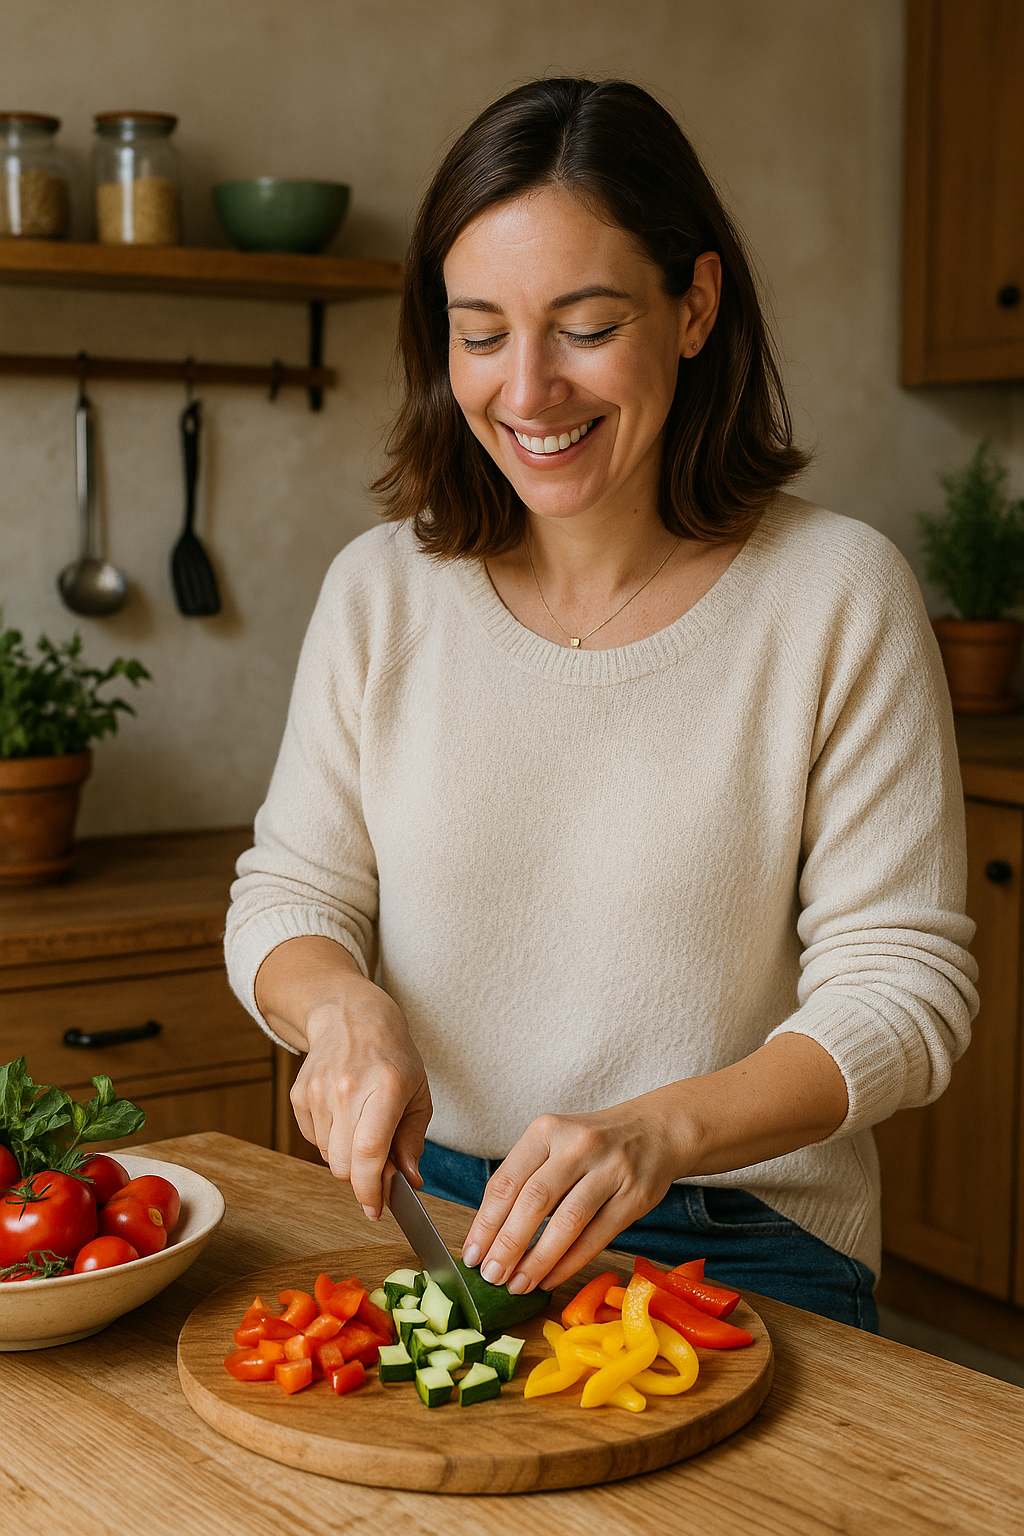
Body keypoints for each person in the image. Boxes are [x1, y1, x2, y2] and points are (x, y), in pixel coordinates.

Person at [225, 77, 978, 1331]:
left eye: (583, 325)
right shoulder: (381, 591)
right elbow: (291, 895)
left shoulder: (837, 593)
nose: (527, 392)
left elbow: (902, 989)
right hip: (431, 1205)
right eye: (480, 332)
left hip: (739, 1234)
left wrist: (658, 1132)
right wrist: (336, 1007)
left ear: (694, 306)